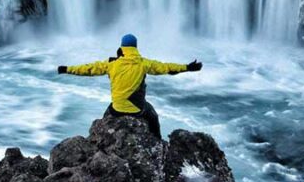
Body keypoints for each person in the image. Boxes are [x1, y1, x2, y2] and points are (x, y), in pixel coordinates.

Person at [57, 33, 202, 138]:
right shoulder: (143, 63)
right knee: (153, 115)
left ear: (122, 47)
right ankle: (157, 140)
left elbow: (88, 69)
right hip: (137, 110)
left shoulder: (111, 63)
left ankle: (101, 133)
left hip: (116, 110)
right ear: (135, 47)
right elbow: (167, 68)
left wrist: (67, 69)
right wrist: (187, 67)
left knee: (108, 111)